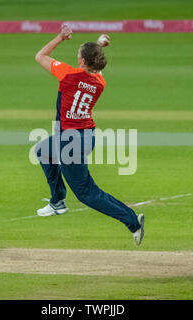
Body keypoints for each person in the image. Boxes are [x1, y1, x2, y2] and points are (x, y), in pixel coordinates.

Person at [34, 25, 145, 246]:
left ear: (83, 62)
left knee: (86, 193)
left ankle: (133, 222)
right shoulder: (99, 82)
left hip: (70, 140)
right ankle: (57, 201)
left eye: (78, 55)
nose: (76, 58)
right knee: (43, 152)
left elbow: (40, 56)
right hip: (85, 136)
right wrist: (100, 44)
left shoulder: (67, 75)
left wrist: (60, 37)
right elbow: (95, 68)